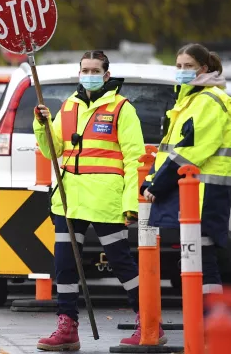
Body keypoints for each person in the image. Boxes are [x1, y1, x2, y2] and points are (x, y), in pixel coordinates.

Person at [34, 51, 165, 351]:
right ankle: (67, 327)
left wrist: (131, 203)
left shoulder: (121, 108)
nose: (89, 74)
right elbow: (51, 150)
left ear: (106, 75)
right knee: (65, 265)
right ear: (79, 72)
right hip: (70, 199)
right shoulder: (68, 106)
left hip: (106, 200)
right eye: (84, 70)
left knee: (121, 263)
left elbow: (135, 158)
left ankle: (149, 323)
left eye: (95, 70)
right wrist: (43, 124)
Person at [141, 43, 231, 309]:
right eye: (178, 66)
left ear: (204, 68)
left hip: (204, 193)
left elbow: (191, 151)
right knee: (199, 256)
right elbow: (170, 148)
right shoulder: (189, 100)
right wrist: (153, 178)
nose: (182, 71)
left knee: (204, 257)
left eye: (188, 66)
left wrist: (159, 183)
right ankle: (207, 322)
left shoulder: (208, 101)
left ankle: (212, 322)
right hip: (192, 191)